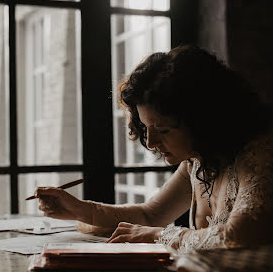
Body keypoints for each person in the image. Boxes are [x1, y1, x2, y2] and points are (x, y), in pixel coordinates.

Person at [35, 45, 273, 253]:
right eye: (146, 127)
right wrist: (80, 208)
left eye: (164, 130)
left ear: (203, 120)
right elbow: (150, 215)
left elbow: (239, 236)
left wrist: (158, 236)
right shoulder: (197, 161)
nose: (150, 143)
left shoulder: (260, 154)